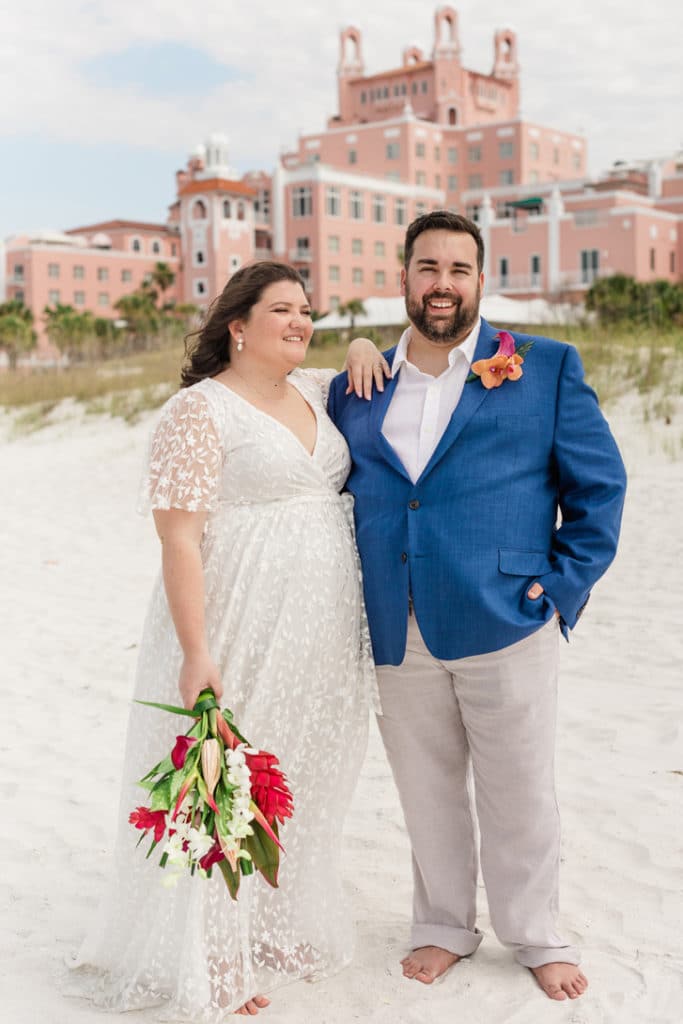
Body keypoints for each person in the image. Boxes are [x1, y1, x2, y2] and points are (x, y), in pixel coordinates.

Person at [69, 261, 388, 1019]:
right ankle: (210, 950)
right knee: (227, 778)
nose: (300, 321)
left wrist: (363, 342)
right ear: (237, 325)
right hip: (238, 613)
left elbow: (360, 357)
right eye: (282, 309)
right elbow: (179, 540)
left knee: (303, 769)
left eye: (307, 310)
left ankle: (270, 923)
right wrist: (196, 650)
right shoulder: (198, 410)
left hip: (323, 620)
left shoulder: (315, 389)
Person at [328, 211, 627, 1002]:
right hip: (397, 620)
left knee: (519, 789)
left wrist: (560, 588)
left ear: (479, 280)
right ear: (402, 278)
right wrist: (354, 348)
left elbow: (599, 491)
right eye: (426, 268)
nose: (441, 284)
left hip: (506, 615)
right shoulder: (356, 386)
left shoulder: (544, 366)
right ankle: (443, 926)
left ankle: (534, 934)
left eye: (458, 269)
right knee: (425, 790)